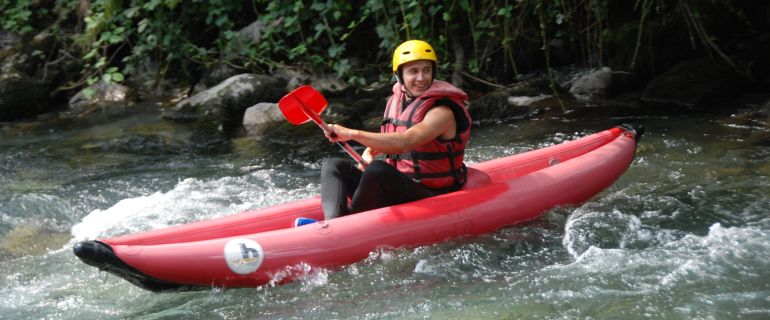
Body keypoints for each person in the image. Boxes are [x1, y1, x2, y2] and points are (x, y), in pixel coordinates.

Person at [295, 40, 471, 227]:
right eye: (413, 71)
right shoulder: (397, 101)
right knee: (334, 165)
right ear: (399, 75)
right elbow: (387, 139)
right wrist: (368, 152)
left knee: (377, 170)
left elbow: (405, 141)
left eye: (427, 70)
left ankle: (344, 228)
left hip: (431, 194)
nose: (421, 77)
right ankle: (332, 225)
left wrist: (352, 133)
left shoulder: (442, 112)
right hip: (399, 186)